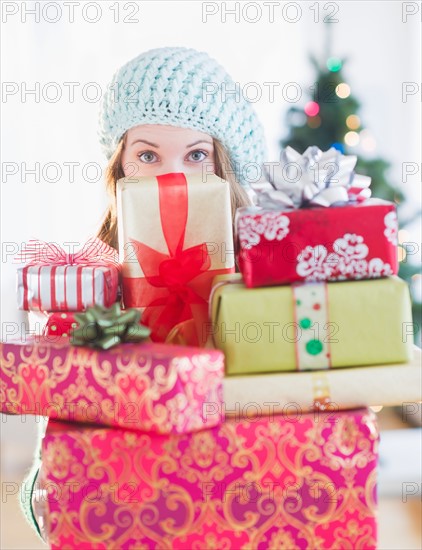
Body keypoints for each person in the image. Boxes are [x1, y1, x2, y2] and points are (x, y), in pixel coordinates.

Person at [20, 46, 267, 540]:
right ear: (120, 166)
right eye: (148, 155)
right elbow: (56, 457)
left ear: (224, 170)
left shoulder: (261, 280)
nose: (168, 176)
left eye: (196, 155)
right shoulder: (92, 284)